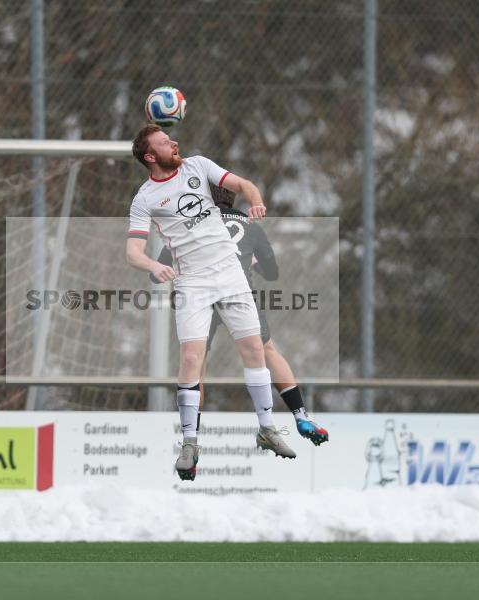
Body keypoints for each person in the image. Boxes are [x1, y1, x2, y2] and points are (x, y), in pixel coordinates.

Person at [127, 124, 293, 481]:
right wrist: (154, 265)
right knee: (190, 359)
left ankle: (267, 428)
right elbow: (132, 252)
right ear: (150, 156)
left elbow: (243, 185)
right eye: (164, 142)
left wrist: (257, 200)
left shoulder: (198, 166)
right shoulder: (144, 199)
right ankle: (189, 442)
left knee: (254, 349)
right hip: (192, 282)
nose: (174, 142)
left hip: (230, 274)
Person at [150, 185, 329, 447]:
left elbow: (156, 271)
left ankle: (191, 439)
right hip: (238, 294)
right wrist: (252, 260)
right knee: (267, 350)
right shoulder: (250, 227)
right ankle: (300, 415)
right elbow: (273, 273)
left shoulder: (186, 226)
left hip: (200, 299)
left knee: (195, 362)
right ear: (233, 200)